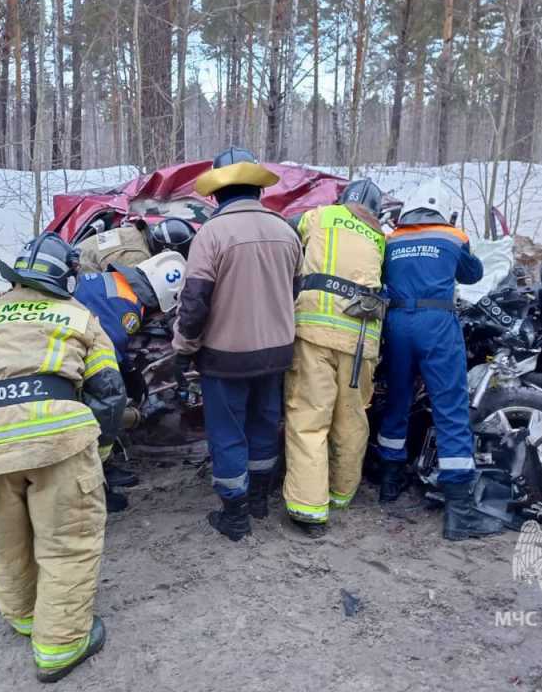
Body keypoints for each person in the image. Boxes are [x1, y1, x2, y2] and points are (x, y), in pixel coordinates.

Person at [0, 233, 126, 682]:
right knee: (67, 542)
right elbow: (108, 393)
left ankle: (25, 617)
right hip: (58, 443)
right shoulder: (78, 316)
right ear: (66, 276)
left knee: (5, 539)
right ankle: (61, 646)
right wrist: (99, 450)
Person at [173, 147, 302, 542]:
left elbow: (194, 302)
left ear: (216, 194)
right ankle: (260, 500)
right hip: (278, 352)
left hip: (225, 357)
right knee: (265, 424)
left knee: (228, 433)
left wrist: (184, 345)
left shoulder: (211, 234)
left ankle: (235, 515)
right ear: (257, 190)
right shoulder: (286, 231)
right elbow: (294, 291)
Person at [375, 180, 502, 541]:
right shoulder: (452, 236)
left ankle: (389, 483)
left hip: (398, 324)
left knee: (397, 401)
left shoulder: (391, 240)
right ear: (445, 211)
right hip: (437, 324)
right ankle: (459, 514)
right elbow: (473, 274)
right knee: (449, 409)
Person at [282, 180, 386, 538]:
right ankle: (341, 493)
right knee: (352, 418)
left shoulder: (321, 215)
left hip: (314, 333)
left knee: (310, 417)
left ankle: (309, 507)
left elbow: (285, 228)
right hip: (362, 342)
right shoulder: (380, 236)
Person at [73, 251, 188, 510]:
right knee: (101, 406)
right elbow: (105, 360)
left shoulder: (111, 281)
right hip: (73, 368)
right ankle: (97, 479)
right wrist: (127, 384)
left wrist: (130, 371)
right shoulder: (129, 306)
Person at [76, 217, 196, 274]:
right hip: (78, 272)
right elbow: (123, 294)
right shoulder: (137, 257)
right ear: (166, 251)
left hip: (80, 258)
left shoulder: (137, 234)